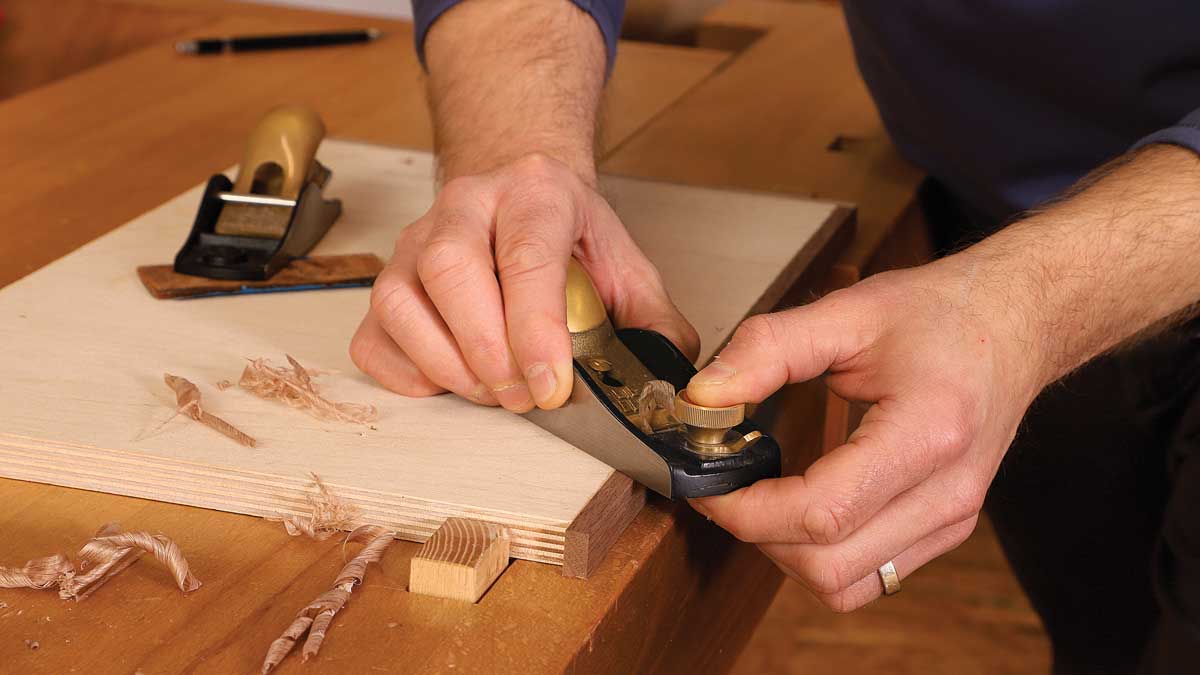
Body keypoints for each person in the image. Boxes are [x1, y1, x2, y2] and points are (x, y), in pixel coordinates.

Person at [349, 1, 1200, 671]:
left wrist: (1032, 303)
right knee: (1107, 636)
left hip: (1070, 259)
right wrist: (518, 158)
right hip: (992, 217)